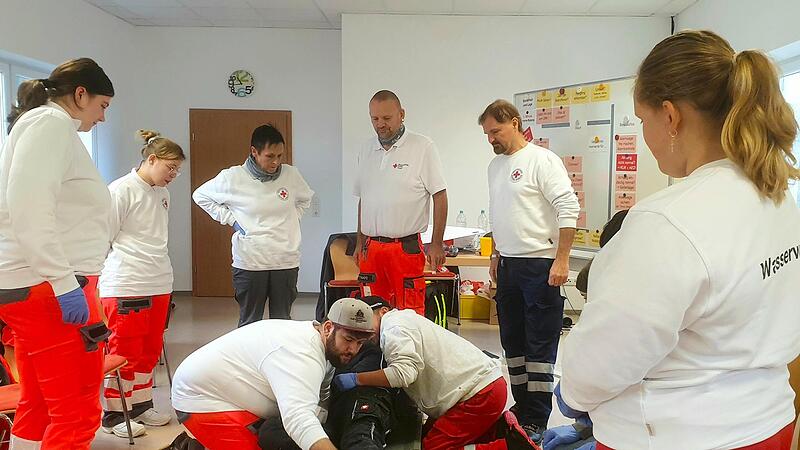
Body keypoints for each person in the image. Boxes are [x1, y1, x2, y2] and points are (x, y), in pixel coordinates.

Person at [558, 30, 800, 449]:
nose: (646, 136)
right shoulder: (776, 197)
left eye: (641, 120)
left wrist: (571, 394)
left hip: (678, 435)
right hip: (767, 423)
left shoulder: (666, 221)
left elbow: (603, 359)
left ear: (670, 116)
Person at [0, 57, 114, 449]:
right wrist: (64, 282)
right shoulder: (49, 124)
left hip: (37, 285)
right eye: (103, 106)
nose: (102, 118)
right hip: (50, 288)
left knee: (41, 405)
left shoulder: (43, 127)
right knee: (78, 412)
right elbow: (29, 206)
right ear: (80, 94)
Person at [479, 99, 580, 441]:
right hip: (508, 264)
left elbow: (568, 208)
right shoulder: (495, 166)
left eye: (495, 131)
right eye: (486, 133)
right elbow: (499, 213)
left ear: (514, 123)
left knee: (539, 344)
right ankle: (521, 410)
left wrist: (562, 259)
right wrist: (495, 255)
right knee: (513, 343)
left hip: (540, 265)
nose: (491, 138)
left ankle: (537, 415)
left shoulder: (542, 160)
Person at [333, 297, 540, 450]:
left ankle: (508, 448)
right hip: (484, 387)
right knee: (428, 435)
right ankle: (502, 431)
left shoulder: (393, 329)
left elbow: (403, 374)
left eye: (366, 321)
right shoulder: (404, 320)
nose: (363, 332)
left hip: (477, 395)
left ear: (383, 311)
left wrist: (356, 379)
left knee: (433, 448)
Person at [171, 298, 375, 450]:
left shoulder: (328, 347)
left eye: (360, 343)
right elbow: (298, 418)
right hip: (202, 400)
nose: (353, 349)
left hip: (230, 389)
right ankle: (194, 444)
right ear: (329, 327)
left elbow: (322, 397)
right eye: (348, 339)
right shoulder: (301, 355)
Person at [99, 129, 185, 438]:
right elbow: (104, 237)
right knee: (125, 350)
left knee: (149, 350)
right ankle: (113, 413)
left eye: (177, 169)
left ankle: (139, 405)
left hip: (159, 279)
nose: (174, 174)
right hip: (126, 283)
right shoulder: (121, 190)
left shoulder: (163, 192)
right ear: (151, 159)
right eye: (170, 167)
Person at [193, 124, 313, 327]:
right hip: (250, 261)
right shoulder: (233, 177)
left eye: (280, 156)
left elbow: (305, 199)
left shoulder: (291, 175)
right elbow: (200, 196)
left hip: (285, 260)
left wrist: (292, 219)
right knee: (250, 323)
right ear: (254, 152)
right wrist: (231, 220)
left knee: (282, 322)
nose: (276, 162)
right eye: (270, 156)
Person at [353, 90, 448, 314]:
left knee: (409, 314)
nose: (380, 125)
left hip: (405, 248)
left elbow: (440, 195)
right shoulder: (366, 149)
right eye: (375, 119)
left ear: (401, 114)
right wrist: (359, 242)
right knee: (370, 314)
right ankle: (375, 351)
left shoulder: (422, 147)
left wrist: (437, 243)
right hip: (371, 249)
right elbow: (362, 200)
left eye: (386, 118)